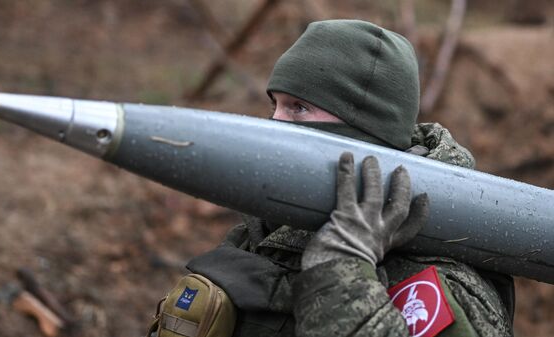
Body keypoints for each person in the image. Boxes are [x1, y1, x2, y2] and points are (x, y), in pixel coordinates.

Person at [185, 20, 514, 336]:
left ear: (363, 132)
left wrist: (342, 272)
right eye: (276, 105)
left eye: (297, 108)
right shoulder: (263, 235)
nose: (273, 123)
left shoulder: (436, 287)